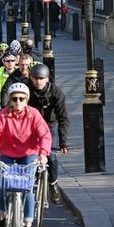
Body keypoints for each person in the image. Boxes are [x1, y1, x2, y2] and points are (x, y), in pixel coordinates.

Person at [0, 82, 52, 227]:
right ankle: (2, 218)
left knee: (27, 187)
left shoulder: (34, 114)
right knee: (4, 186)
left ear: (27, 100)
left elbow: (44, 135)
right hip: (8, 154)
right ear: (10, 100)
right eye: (14, 99)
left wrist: (43, 154)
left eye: (22, 99)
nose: (18, 102)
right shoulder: (4, 114)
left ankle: (28, 225)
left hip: (29, 154)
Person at [25, 64, 69, 204]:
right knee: (28, 155)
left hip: (50, 126)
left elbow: (63, 118)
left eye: (41, 78)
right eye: (35, 78)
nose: (38, 81)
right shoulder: (27, 90)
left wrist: (63, 142)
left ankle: (53, 184)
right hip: (31, 125)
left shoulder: (56, 92)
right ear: (31, 78)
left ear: (47, 79)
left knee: (52, 156)